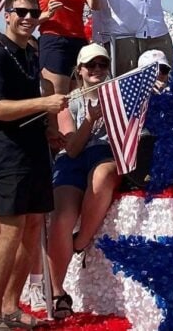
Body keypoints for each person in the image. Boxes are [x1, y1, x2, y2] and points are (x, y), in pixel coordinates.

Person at [0, 0, 68, 331]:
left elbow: (33, 101)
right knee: (10, 231)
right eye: (21, 12)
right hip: (8, 154)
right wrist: (43, 105)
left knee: (31, 229)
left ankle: (12, 308)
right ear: (7, 14)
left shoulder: (29, 53)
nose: (28, 18)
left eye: (33, 12)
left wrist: (49, 128)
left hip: (34, 152)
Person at [47, 43, 121, 319]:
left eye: (102, 64)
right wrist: (90, 119)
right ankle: (57, 292)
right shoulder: (67, 101)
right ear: (80, 70)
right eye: (92, 65)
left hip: (102, 154)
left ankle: (81, 241)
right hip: (73, 156)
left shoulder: (118, 95)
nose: (98, 70)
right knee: (63, 215)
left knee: (101, 177)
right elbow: (73, 146)